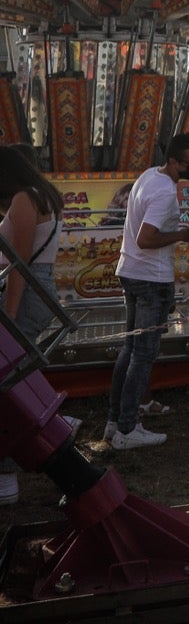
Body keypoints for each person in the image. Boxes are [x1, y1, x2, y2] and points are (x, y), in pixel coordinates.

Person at [106, 134, 189, 449]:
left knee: (130, 350)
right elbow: (146, 238)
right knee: (143, 354)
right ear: (174, 161)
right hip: (151, 278)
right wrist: (181, 234)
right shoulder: (163, 193)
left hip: (130, 271)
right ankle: (128, 427)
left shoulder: (149, 176)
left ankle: (114, 422)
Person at [1, 146, 67, 503]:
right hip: (38, 290)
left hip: (25, 295)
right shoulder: (42, 195)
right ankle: (55, 427)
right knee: (19, 377)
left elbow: (18, 264)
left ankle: (6, 472)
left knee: (8, 384)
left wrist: (9, 314)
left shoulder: (24, 199)